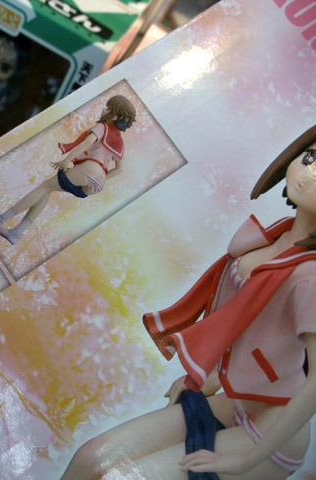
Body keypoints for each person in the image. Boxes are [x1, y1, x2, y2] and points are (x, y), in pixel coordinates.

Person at [61, 125, 316, 479]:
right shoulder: (278, 235)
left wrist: (245, 461)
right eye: (310, 157)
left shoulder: (310, 277)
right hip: (233, 400)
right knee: (90, 459)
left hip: (271, 432)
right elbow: (244, 323)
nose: (308, 174)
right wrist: (206, 377)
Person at [0, 95, 136, 245]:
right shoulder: (120, 142)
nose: (104, 109)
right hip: (98, 183)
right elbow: (119, 169)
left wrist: (66, 160)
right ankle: (16, 233)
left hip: (88, 170)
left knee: (44, 187)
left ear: (114, 116)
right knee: (47, 190)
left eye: (108, 108)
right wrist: (96, 178)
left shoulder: (103, 127)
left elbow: (87, 143)